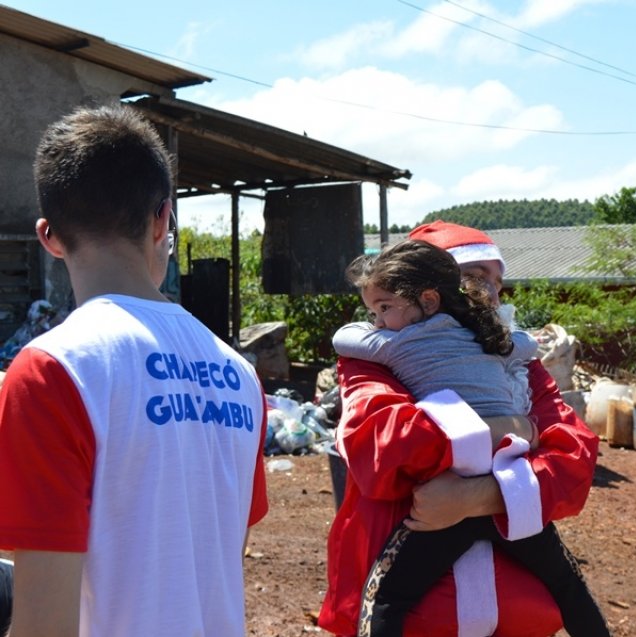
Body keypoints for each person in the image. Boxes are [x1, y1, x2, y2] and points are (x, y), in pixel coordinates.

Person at [0, 104, 269, 636]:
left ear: (49, 236)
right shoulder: (240, 374)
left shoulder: (53, 372)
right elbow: (219, 557)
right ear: (162, 219)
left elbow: (44, 625)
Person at [318, 221, 600, 637]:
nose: (492, 293)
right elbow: (385, 450)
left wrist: (476, 497)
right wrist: (515, 429)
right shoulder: (377, 355)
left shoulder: (513, 359)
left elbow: (575, 462)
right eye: (475, 276)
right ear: (431, 287)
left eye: (497, 282)